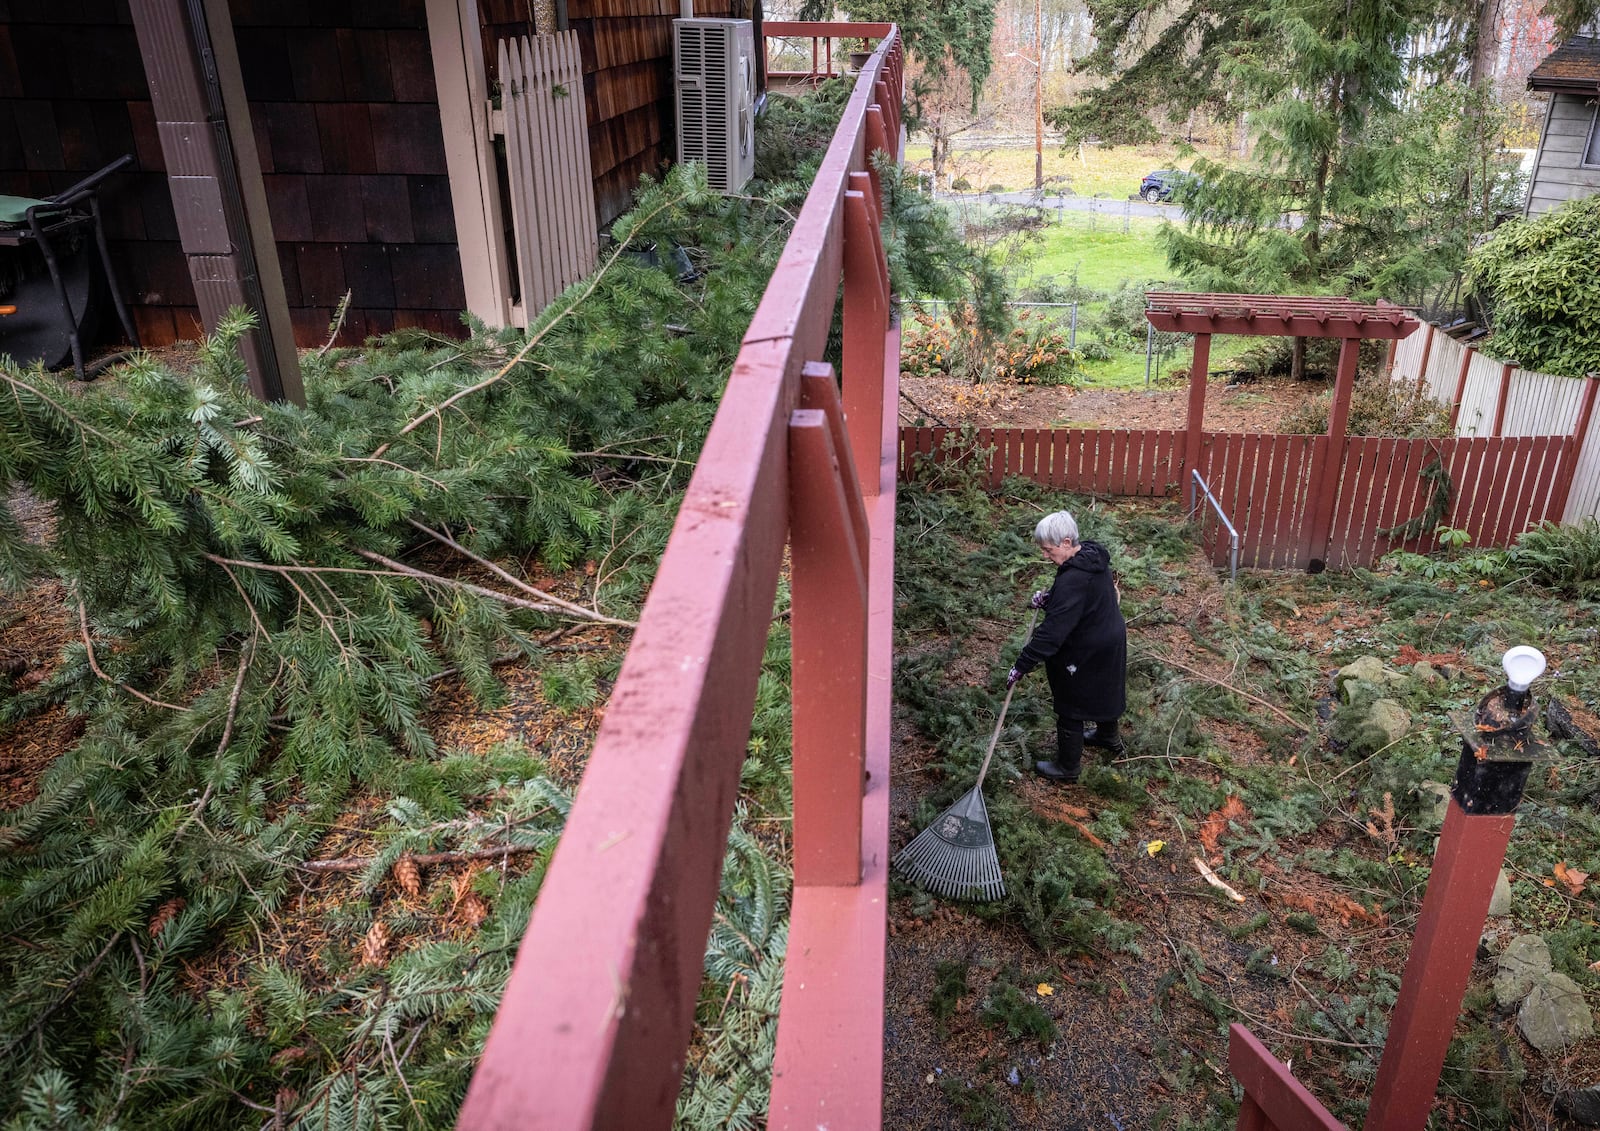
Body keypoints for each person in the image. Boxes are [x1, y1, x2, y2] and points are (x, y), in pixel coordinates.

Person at [1006, 510, 1127, 784]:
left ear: (1066, 542)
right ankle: (1108, 737)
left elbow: (1052, 633)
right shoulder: (1091, 557)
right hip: (1109, 637)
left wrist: (1021, 665)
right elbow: (1083, 600)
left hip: (1086, 646)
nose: (1046, 556)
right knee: (1105, 687)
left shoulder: (1074, 578)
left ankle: (1067, 767)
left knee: (1071, 700)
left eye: (1048, 550)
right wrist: (1052, 599)